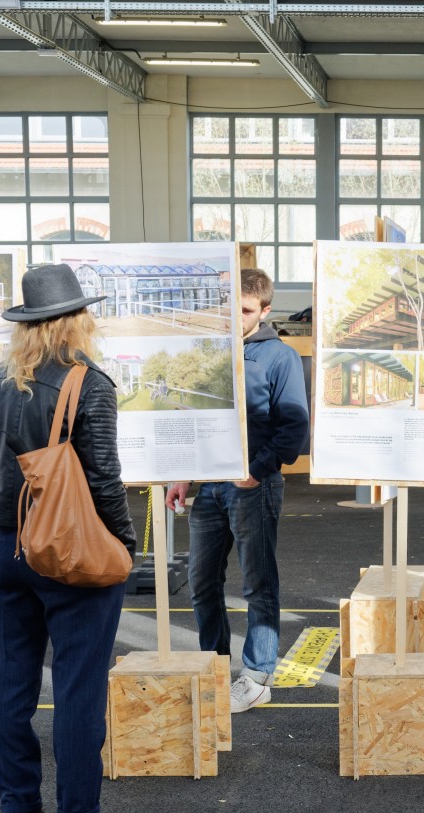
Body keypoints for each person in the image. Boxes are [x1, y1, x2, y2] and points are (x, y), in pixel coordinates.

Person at [0, 264, 137, 813]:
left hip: (4, 550)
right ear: (77, 318)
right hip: (70, 554)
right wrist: (125, 544)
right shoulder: (89, 384)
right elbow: (105, 480)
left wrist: (8, 525)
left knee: (12, 681)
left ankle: (19, 812)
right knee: (79, 687)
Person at [166, 268, 309, 713]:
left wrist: (256, 470)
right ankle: (214, 667)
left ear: (265, 310)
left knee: (257, 584)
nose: (237, 316)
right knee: (200, 582)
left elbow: (295, 427)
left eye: (245, 310)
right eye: (231, 308)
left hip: (253, 487)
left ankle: (257, 676)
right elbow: (200, 417)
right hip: (208, 486)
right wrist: (185, 472)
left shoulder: (279, 357)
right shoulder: (212, 352)